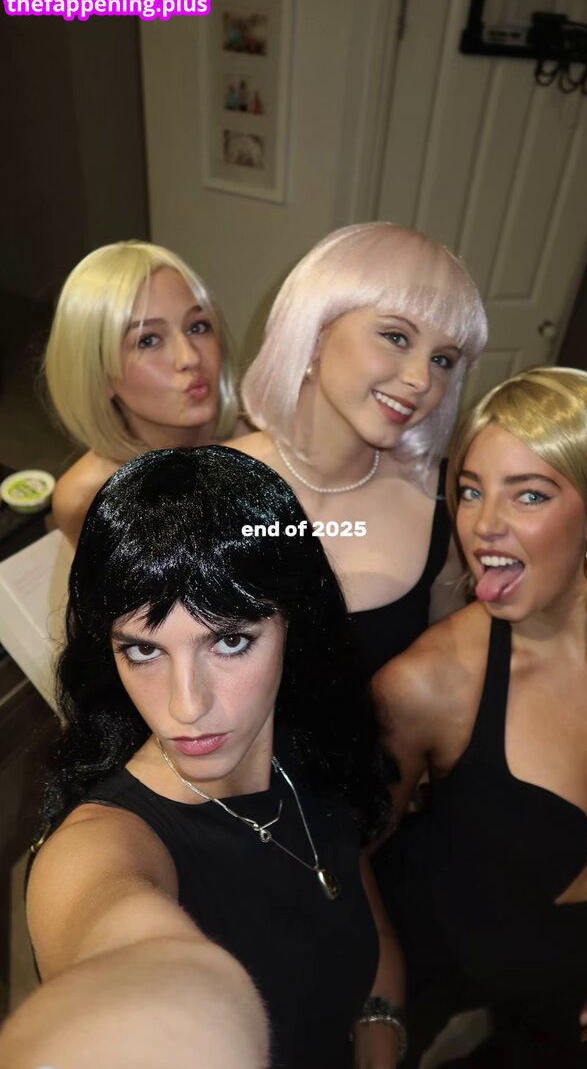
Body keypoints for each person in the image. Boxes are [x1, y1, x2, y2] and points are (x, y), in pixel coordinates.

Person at [15, 445, 404, 1068]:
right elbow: (114, 936)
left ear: (295, 622)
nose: (187, 706)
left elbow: (355, 899)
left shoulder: (308, 744)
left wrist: (379, 1026)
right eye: (144, 651)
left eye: (229, 641)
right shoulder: (97, 850)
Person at [374, 367, 587, 1066]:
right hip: (435, 998)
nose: (483, 526)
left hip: (573, 1006)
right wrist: (377, 1008)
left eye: (528, 494)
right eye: (472, 491)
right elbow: (340, 861)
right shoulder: (428, 684)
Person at [227, 222, 488, 678]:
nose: (422, 379)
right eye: (397, 337)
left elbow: (447, 676)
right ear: (315, 334)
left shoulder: (447, 504)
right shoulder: (202, 487)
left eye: (442, 360)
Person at [44, 240, 242, 548]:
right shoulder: (86, 499)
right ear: (100, 375)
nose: (190, 357)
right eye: (148, 340)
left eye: (198, 327)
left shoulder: (266, 448)